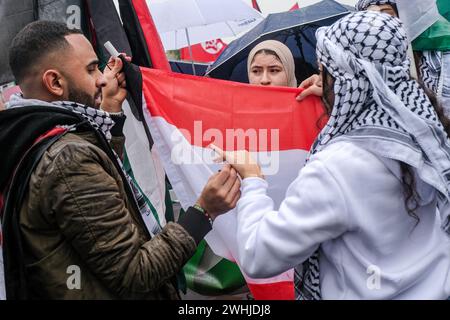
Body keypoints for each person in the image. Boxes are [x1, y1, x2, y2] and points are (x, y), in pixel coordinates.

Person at [213, 11, 450, 299]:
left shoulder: (337, 167)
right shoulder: (430, 137)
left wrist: (252, 178)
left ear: (341, 77)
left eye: (325, 70)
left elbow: (258, 255)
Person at [0, 21, 239, 299]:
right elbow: (136, 274)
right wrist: (203, 212)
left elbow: (94, 191)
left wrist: (110, 112)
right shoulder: (68, 158)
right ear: (54, 82)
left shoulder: (30, 131)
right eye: (91, 69)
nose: (102, 78)